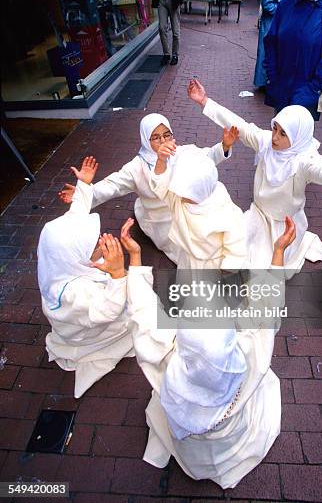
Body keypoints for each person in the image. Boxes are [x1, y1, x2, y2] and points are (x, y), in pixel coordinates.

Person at [125, 213, 296, 489]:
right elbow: (267, 310)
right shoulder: (249, 356)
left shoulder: (168, 363)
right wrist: (278, 251)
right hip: (234, 432)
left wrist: (134, 258)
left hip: (191, 451)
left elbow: (143, 313)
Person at [188, 79, 322, 277]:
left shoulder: (303, 159)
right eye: (275, 128)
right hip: (258, 214)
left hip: (285, 225)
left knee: (263, 268)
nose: (275, 137)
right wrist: (205, 101)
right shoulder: (266, 142)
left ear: (298, 137)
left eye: (283, 134)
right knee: (230, 248)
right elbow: (239, 125)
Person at [58, 113, 237, 264]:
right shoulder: (136, 167)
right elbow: (111, 186)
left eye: (167, 135)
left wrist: (225, 145)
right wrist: (81, 193)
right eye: (156, 137)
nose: (163, 141)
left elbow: (207, 158)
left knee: (220, 234)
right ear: (146, 139)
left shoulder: (183, 151)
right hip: (163, 219)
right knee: (192, 252)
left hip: (189, 210)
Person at [38, 157, 139, 398]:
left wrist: (83, 185)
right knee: (139, 314)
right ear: (76, 255)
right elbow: (109, 311)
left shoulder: (59, 259)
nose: (99, 240)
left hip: (78, 313)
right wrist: (118, 272)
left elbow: (75, 218)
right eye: (92, 244)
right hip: (91, 325)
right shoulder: (77, 292)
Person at [149, 141, 247, 270]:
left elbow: (236, 249)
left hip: (213, 268)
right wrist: (161, 161)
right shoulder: (180, 198)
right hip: (187, 261)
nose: (178, 193)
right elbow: (161, 185)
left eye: (186, 191)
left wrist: (227, 271)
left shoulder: (227, 212)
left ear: (200, 190)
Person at [253, 0, 295, 89]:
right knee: (266, 52)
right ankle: (263, 82)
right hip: (270, 25)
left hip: (281, 24)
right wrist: (285, 7)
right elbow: (267, 6)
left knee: (276, 52)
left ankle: (272, 80)